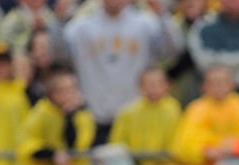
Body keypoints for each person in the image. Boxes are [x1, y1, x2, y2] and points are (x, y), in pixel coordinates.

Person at [63, 0, 182, 143]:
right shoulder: (81, 27)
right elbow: (59, 57)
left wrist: (162, 15)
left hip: (134, 118)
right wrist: (61, 17)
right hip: (95, 117)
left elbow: (173, 50)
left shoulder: (145, 23)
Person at [170, 65, 239, 165]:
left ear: (232, 85)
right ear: (204, 86)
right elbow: (184, 144)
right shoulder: (196, 109)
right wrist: (207, 150)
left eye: (222, 82)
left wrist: (237, 146)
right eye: (213, 83)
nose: (218, 86)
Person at [17, 67, 96, 165]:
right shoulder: (42, 111)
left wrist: (69, 117)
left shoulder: (83, 114)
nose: (69, 94)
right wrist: (51, 154)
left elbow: (81, 145)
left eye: (72, 89)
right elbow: (26, 141)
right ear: (53, 93)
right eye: (64, 90)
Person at [108, 66, 183, 165]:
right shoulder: (128, 112)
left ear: (167, 86)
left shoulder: (174, 110)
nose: (154, 88)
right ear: (140, 87)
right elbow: (116, 144)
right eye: (149, 84)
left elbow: (179, 143)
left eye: (159, 84)